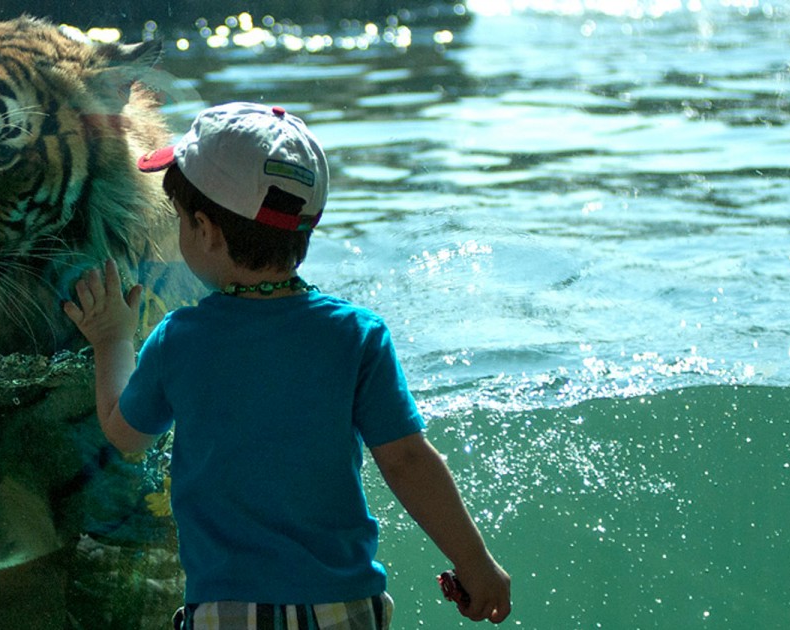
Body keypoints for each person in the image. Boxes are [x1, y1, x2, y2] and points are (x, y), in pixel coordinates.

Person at [63, 102, 511, 629]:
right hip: (342, 607)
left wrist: (112, 337)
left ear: (204, 229)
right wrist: (475, 563)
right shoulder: (357, 335)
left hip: (226, 611)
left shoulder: (180, 340)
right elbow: (408, 461)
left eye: (181, 221)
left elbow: (125, 434)